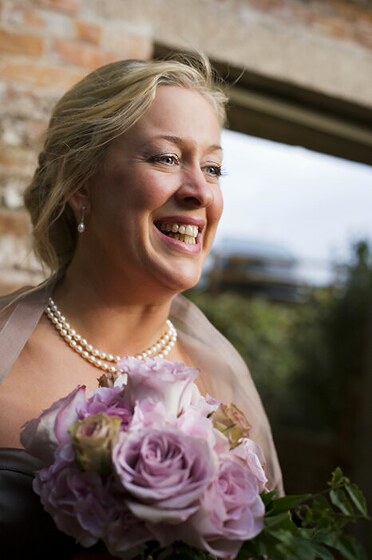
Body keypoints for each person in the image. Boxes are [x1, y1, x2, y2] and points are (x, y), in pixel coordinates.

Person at [0, 54, 282, 558]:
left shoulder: (225, 389)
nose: (200, 192)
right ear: (79, 184)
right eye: (167, 158)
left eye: (213, 168)